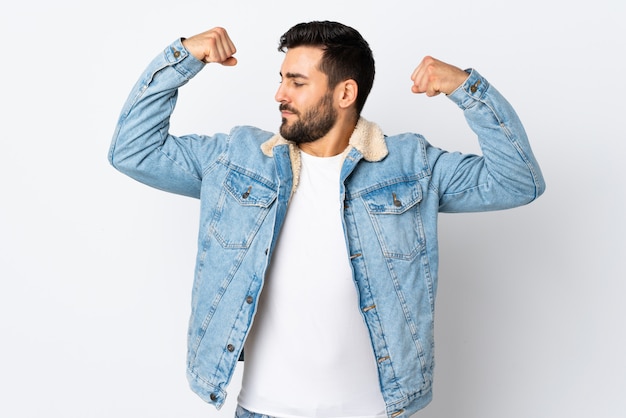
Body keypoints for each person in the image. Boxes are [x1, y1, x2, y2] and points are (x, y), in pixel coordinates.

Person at [109, 21, 545, 418]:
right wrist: (181, 58)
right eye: (281, 80)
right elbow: (133, 151)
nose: (280, 94)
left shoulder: (411, 167)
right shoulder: (236, 160)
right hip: (262, 411)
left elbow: (518, 181)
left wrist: (467, 88)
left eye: (297, 82)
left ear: (345, 94)